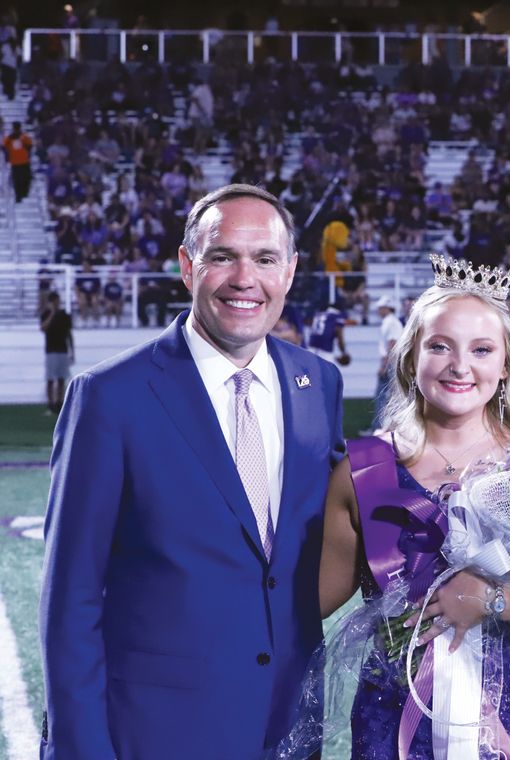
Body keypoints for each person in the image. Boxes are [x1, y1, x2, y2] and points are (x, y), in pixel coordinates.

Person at [39, 184, 346, 759]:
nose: (244, 278)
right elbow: (70, 598)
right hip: (158, 731)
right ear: (187, 265)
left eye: (264, 259)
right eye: (222, 256)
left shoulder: (318, 383)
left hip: (288, 727)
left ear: (291, 271)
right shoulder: (111, 397)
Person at [313, 255, 510, 758]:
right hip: (394, 715)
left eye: (482, 349)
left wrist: (493, 600)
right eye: (439, 346)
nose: (460, 366)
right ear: (410, 359)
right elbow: (310, 602)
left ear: (506, 365)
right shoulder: (361, 471)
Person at [40, 291, 73, 415]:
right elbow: (43, 328)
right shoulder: (46, 314)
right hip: (51, 351)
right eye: (55, 301)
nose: (57, 303)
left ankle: (59, 404)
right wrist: (52, 314)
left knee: (60, 379)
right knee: (50, 379)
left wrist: (71, 351)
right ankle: (50, 404)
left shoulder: (65, 315)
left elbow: (69, 334)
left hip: (62, 350)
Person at [2, 120, 32, 202]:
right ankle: (18, 196)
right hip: (15, 162)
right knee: (17, 180)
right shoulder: (10, 138)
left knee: (26, 178)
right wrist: (8, 155)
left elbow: (29, 145)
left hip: (24, 161)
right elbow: (3, 146)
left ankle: (24, 193)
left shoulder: (23, 137)